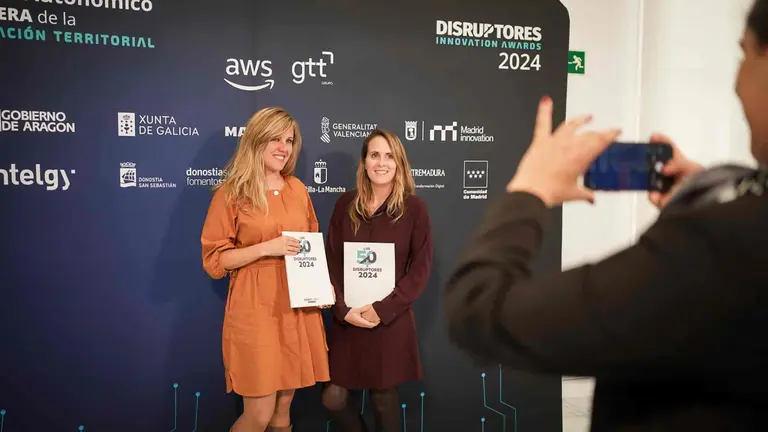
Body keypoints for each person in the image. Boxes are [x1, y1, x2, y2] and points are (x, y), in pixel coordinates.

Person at [444, 0, 768, 429]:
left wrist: (530, 189)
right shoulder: (730, 219)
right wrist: (717, 190)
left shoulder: (723, 246)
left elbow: (479, 309)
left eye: (744, 55)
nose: (736, 83)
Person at [201, 107, 331, 432]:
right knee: (258, 415)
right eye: (275, 138)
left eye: (289, 140)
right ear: (256, 140)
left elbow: (310, 246)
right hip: (255, 308)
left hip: (296, 307)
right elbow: (216, 260)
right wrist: (265, 249)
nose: (283, 147)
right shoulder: (231, 192)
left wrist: (321, 287)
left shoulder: (298, 189)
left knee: (282, 412)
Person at [321, 129, 433, 432]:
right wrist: (343, 310)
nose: (381, 163)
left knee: (384, 398)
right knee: (333, 398)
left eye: (389, 156)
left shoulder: (414, 209)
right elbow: (331, 261)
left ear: (399, 163)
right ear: (364, 162)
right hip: (349, 318)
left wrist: (383, 310)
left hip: (389, 320)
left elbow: (420, 271)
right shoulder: (345, 205)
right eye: (374, 155)